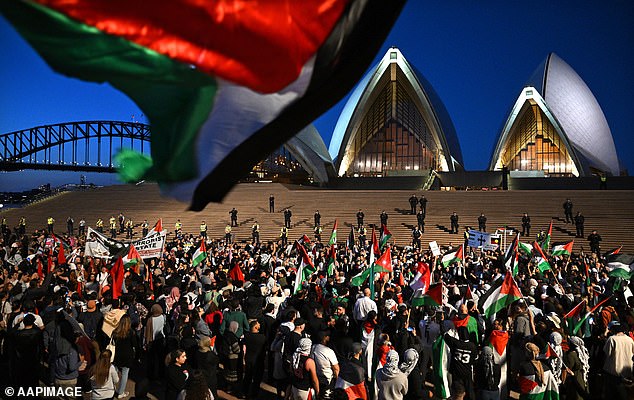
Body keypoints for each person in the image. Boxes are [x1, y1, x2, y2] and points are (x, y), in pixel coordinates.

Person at [602, 321, 634, 400]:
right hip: (628, 373)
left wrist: (605, 335)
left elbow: (606, 354)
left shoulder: (612, 339)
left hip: (613, 374)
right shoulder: (630, 340)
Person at [444, 327, 478, 400]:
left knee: (457, 392)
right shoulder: (472, 346)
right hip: (467, 372)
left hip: (457, 373)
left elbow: (445, 336)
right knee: (470, 391)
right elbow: (475, 360)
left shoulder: (456, 343)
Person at [112, 314, 136, 398]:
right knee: (125, 374)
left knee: (114, 372)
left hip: (117, 355)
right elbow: (135, 344)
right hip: (127, 356)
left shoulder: (115, 332)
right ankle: (121, 392)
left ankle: (112, 388)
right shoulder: (131, 332)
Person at [311, 331, 339, 399]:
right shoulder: (328, 351)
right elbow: (336, 368)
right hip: (327, 379)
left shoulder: (313, 347)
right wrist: (338, 381)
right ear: (325, 338)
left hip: (316, 378)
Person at [243, 319, 267, 398]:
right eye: (258, 324)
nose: (259, 324)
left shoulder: (247, 336)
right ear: (255, 327)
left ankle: (245, 393)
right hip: (258, 361)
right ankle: (254, 395)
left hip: (249, 359)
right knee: (257, 379)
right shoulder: (262, 337)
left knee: (247, 377)